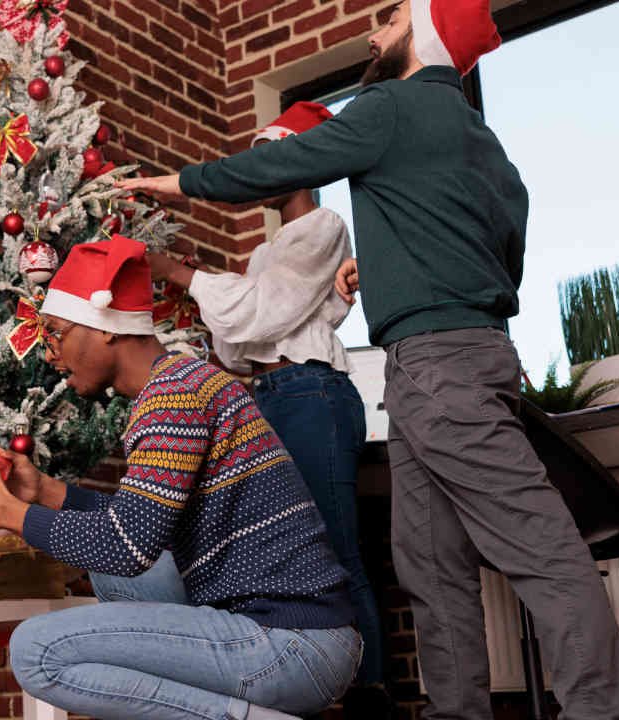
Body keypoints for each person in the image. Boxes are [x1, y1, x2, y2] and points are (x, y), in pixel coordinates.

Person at [118, 1, 619, 717]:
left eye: (388, 20)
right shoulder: (485, 144)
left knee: (541, 550)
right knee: (430, 564)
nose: (371, 33)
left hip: (439, 369)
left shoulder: (388, 106)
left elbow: (287, 161)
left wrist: (171, 183)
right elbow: (500, 258)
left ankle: (600, 711)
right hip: (453, 361)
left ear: (422, 31)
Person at [0, 237, 360, 720]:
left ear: (104, 328)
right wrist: (44, 492)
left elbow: (125, 546)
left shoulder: (173, 397)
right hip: (296, 633)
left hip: (290, 643)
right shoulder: (182, 380)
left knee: (36, 651)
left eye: (57, 333)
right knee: (120, 574)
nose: (50, 354)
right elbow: (137, 526)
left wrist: (6, 512)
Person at [147, 101, 390, 715]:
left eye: (273, 155)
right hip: (270, 397)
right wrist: (210, 296)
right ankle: (313, 688)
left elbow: (266, 314)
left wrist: (180, 273)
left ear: (305, 164)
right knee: (291, 547)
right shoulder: (263, 254)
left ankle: (370, 694)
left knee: (332, 544)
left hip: (313, 394)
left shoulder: (324, 227)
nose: (261, 169)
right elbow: (237, 344)